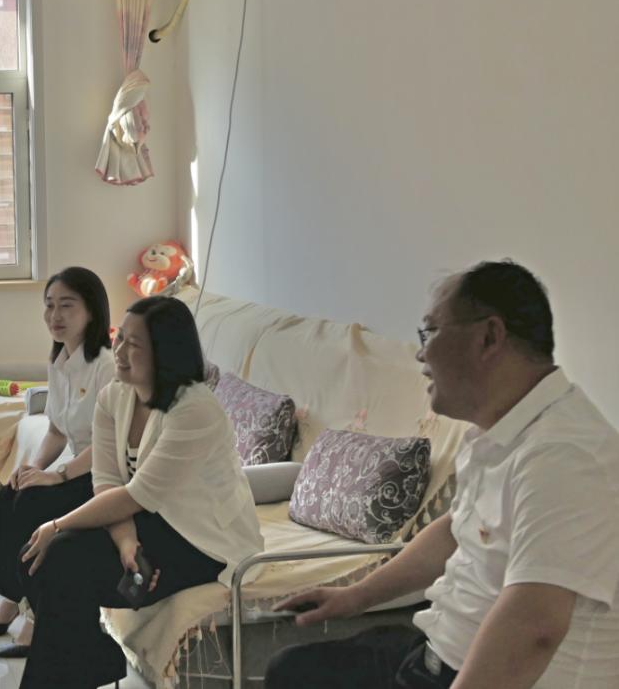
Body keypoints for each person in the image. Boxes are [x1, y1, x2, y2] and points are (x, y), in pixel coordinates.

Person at [265, 260, 619, 689]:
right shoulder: (499, 430)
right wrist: (355, 596)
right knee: (294, 670)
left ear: (489, 337)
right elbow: (455, 531)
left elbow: (535, 628)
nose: (421, 353)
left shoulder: (565, 456)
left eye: (429, 332)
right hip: (438, 650)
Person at [16, 296, 264, 689]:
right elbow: (108, 482)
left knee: (61, 556)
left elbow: (136, 495)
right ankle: (89, 662)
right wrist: (126, 541)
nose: (118, 351)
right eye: (120, 339)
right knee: (44, 559)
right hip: (149, 517)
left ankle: (82, 668)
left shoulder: (195, 409)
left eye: (134, 344)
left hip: (203, 539)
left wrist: (57, 525)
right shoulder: (115, 397)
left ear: (165, 353)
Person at [0, 266, 116, 658]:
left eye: (67, 305)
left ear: (91, 310)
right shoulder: (59, 361)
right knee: (13, 492)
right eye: (50, 305)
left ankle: (36, 622)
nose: (55, 315)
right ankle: (10, 602)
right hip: (80, 468)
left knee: (34, 503)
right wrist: (32, 469)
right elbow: (55, 430)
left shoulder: (106, 366)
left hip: (107, 475)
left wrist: (58, 476)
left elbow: (109, 443)